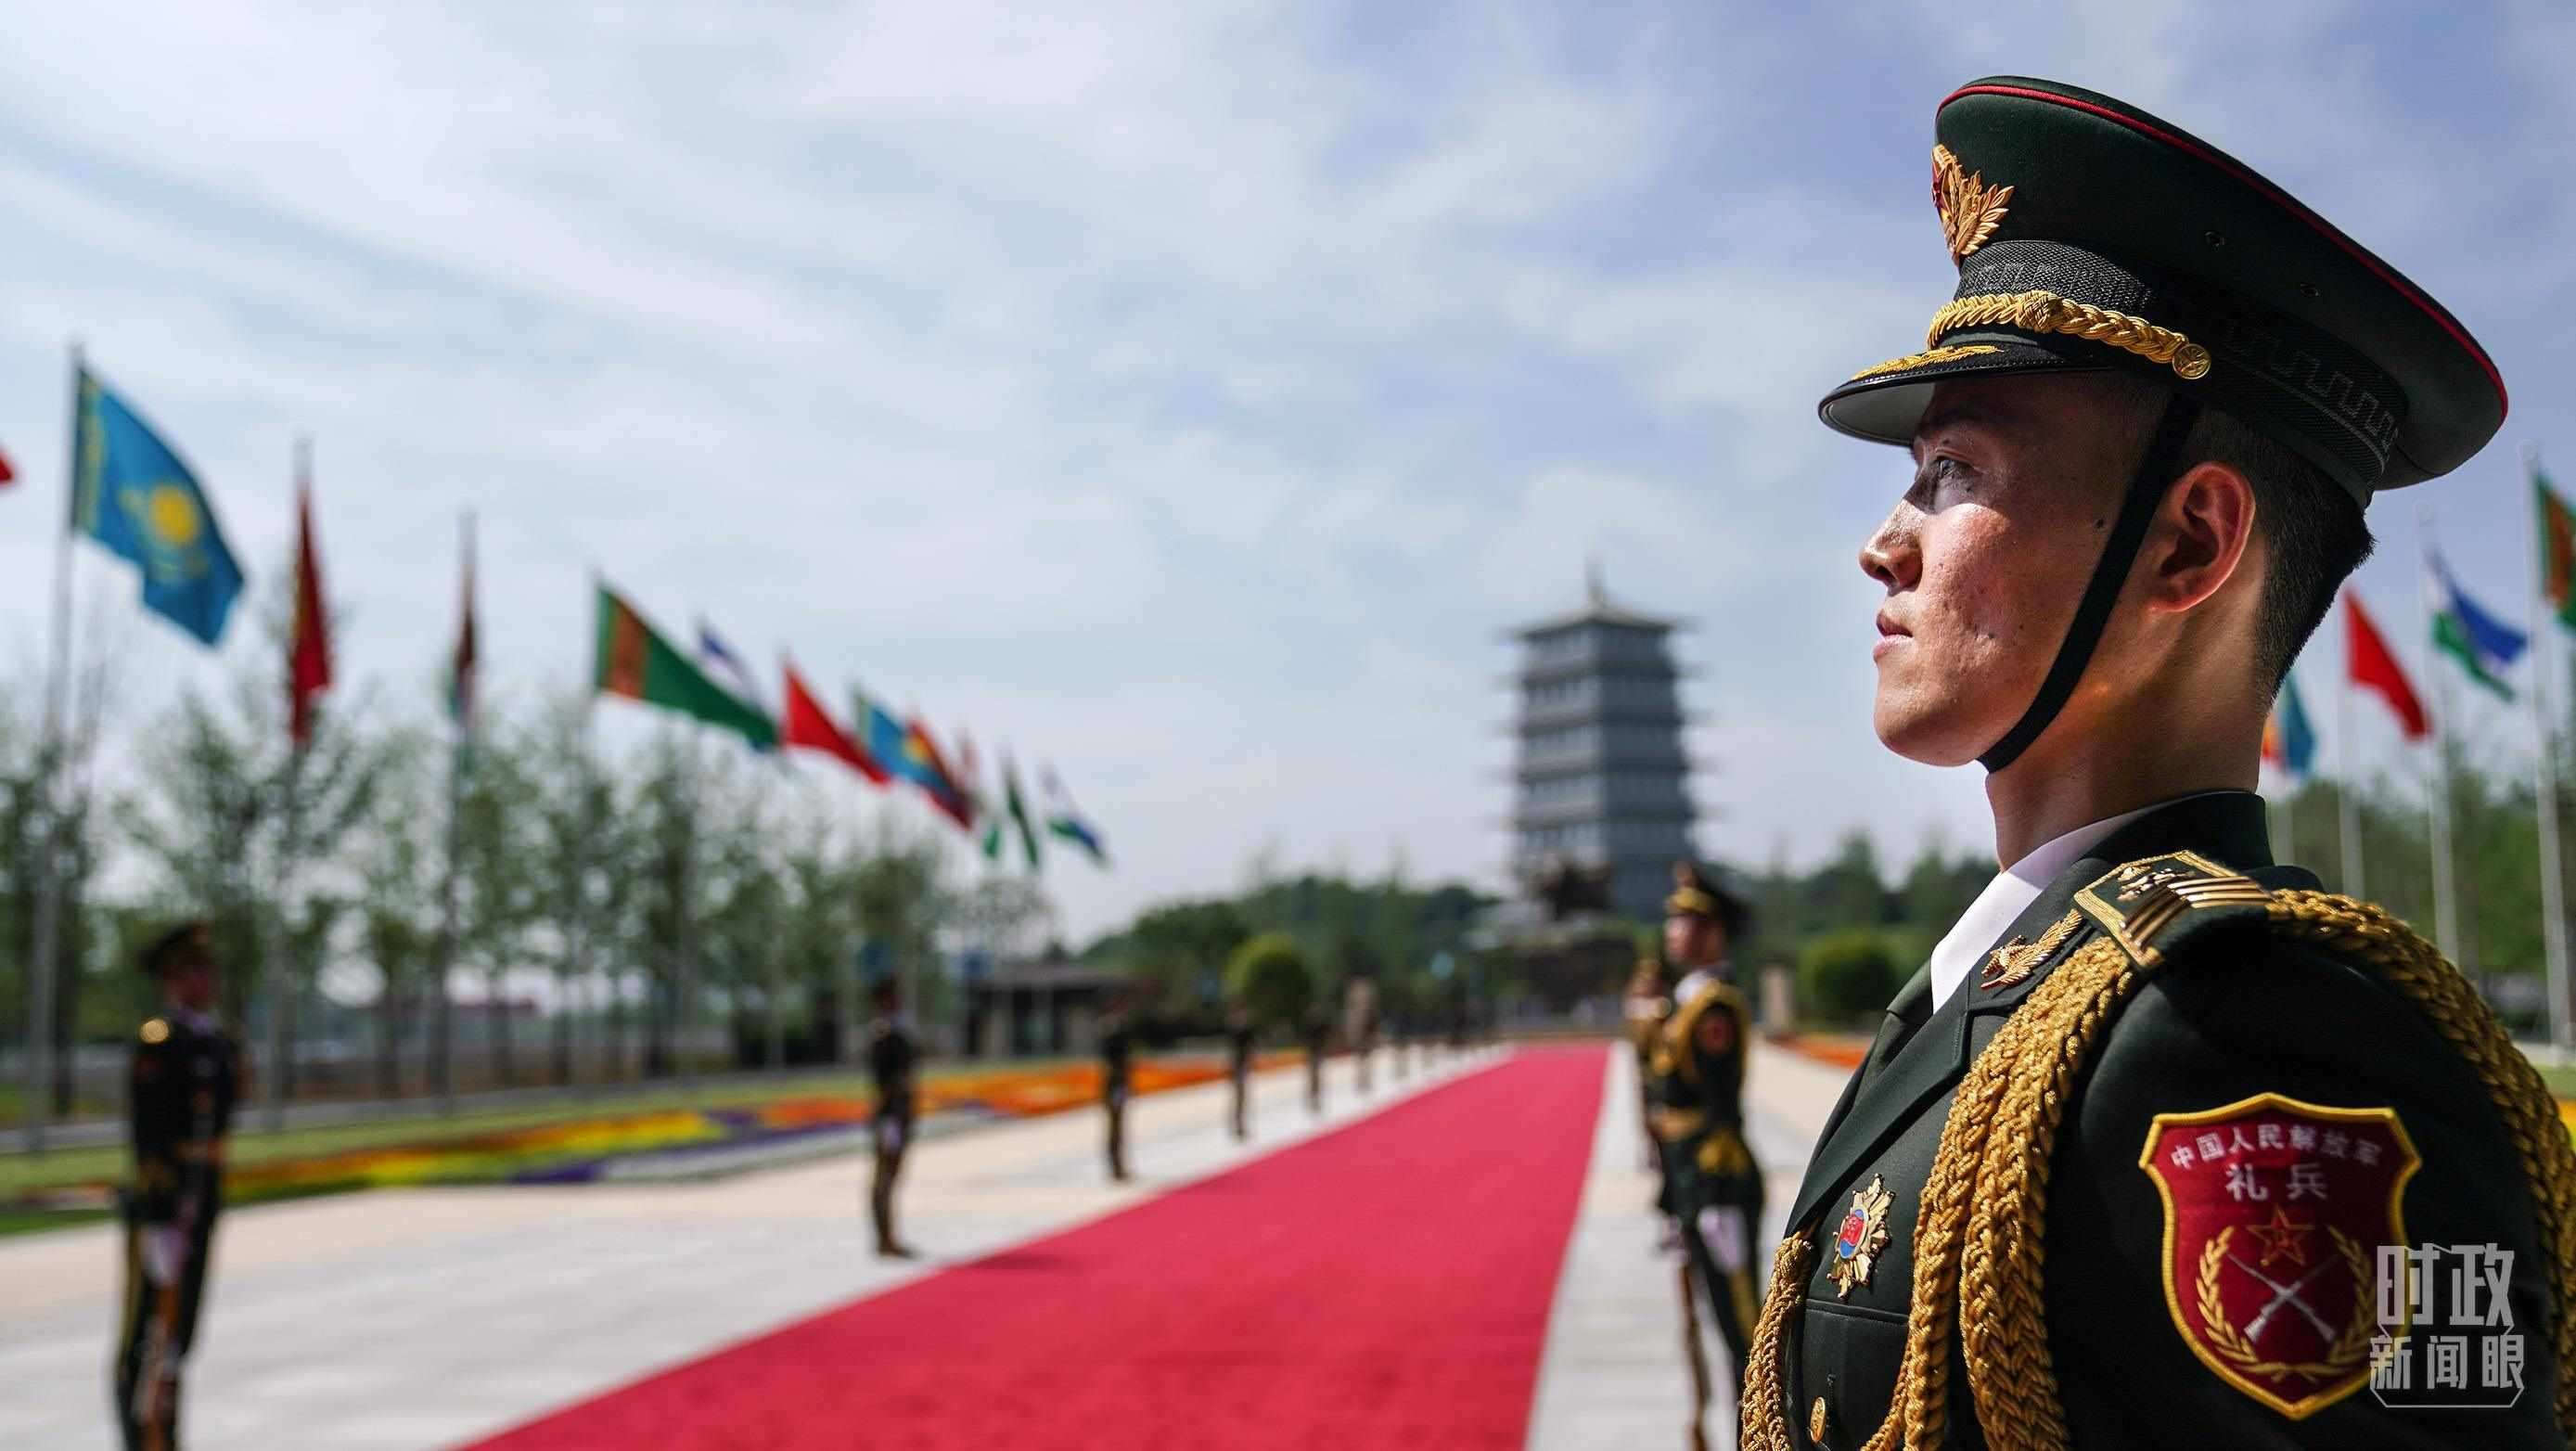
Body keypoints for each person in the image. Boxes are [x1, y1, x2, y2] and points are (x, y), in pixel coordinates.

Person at [1742, 78, 2576, 1450]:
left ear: (2187, 544)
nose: (1883, 545)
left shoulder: (2251, 1035)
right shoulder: (2022, 988)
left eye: (1954, 472)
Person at [113, 920, 240, 1451]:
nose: (206, 980)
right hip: (163, 1206)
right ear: (172, 978)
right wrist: (161, 1208)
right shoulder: (159, 1042)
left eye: (208, 970)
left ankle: (166, 1438)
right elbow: (148, 1137)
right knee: (146, 1336)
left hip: (201, 1198)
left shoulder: (218, 1042)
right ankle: (141, 1440)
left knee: (179, 1337)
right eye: (194, 971)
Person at [1648, 864, 1762, 1406]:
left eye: (1686, 921)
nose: (1673, 932)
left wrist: (1711, 1194)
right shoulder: (1688, 999)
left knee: (1745, 1331)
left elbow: (1720, 1108)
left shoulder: (1713, 1006)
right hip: (1691, 1177)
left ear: (1713, 933)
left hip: (1718, 1179)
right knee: (1719, 1323)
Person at [864, 978, 920, 1259]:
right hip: (890, 1118)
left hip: (897, 1115)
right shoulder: (884, 1034)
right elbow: (886, 1081)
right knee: (885, 1174)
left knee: (892, 1174)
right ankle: (885, 1238)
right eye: (893, 997)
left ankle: (888, 1236)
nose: (898, 1002)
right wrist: (895, 1108)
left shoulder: (895, 1031)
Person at [1100, 992, 1137, 1182]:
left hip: (1119, 1082)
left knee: (1119, 1125)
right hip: (1114, 1083)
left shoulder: (1118, 1027)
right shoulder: (1112, 1029)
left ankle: (1119, 1165)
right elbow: (1114, 1061)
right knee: (1115, 1126)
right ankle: (1115, 1166)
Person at [1224, 1004, 1255, 1142]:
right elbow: (1231, 1052)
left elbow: (1250, 1049)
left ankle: (1240, 1124)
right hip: (1237, 1067)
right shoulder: (1233, 1031)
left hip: (1242, 1067)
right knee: (1237, 1097)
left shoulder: (1246, 1031)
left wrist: (1249, 1064)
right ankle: (1237, 1124)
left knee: (1242, 1097)